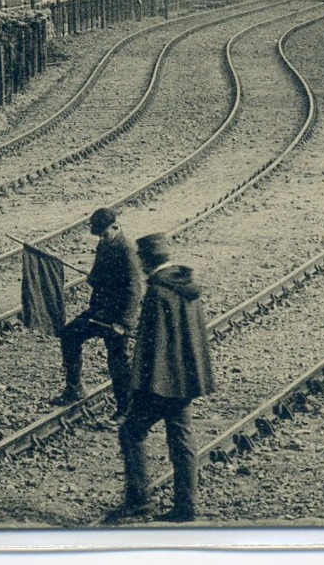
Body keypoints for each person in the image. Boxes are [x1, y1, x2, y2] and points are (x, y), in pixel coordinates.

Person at [107, 232, 217, 524]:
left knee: (131, 431)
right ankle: (186, 505)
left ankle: (139, 501)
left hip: (160, 382)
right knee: (182, 439)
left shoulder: (157, 292)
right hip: (185, 380)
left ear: (144, 261)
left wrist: (139, 387)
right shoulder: (186, 286)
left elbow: (152, 345)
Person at [53, 206, 143, 411]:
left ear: (115, 226)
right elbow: (97, 276)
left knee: (118, 362)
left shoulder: (127, 249)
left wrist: (123, 323)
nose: (101, 237)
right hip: (99, 312)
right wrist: (93, 278)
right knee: (69, 335)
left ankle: (125, 409)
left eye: (104, 233)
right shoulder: (104, 244)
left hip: (117, 317)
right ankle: (74, 388)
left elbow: (134, 289)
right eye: (98, 234)